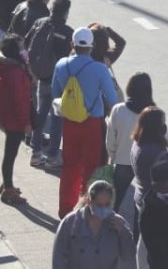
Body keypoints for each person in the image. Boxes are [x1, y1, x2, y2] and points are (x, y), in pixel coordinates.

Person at [51, 27, 119, 218]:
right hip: (92, 124)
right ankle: (86, 209)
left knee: (70, 166)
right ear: (92, 46)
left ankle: (65, 211)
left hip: (69, 123)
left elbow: (56, 95)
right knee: (91, 168)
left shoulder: (61, 65)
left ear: (72, 44)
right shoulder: (99, 69)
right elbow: (112, 100)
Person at [26, 0, 73, 168]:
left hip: (41, 78)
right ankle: (53, 155)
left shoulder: (40, 23)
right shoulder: (68, 32)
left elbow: (26, 42)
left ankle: (35, 153)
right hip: (59, 83)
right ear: (66, 12)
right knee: (57, 120)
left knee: (40, 115)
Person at [52, 180, 136, 269]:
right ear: (89, 201)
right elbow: (58, 256)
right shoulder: (71, 222)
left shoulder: (118, 223)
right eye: (99, 205)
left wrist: (123, 232)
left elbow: (129, 255)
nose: (103, 209)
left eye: (107, 204)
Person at [105, 72, 156, 213]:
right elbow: (166, 142)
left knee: (115, 200)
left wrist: (113, 156)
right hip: (146, 163)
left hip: (122, 162)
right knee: (143, 204)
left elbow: (110, 139)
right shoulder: (154, 113)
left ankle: (109, 227)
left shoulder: (118, 109)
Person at [0, 34, 32, 205]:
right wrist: (26, 123)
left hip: (6, 113)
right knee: (10, 154)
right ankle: (8, 189)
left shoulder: (4, 65)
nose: (24, 49)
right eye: (21, 46)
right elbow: (19, 101)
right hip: (14, 118)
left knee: (10, 153)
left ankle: (7, 182)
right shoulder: (14, 72)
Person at [130, 106, 168, 234]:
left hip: (140, 195)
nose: (165, 126)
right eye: (162, 123)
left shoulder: (137, 143)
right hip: (155, 204)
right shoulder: (157, 152)